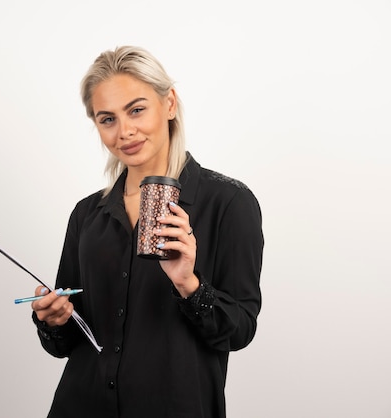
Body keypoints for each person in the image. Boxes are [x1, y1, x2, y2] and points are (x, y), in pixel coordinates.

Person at [30, 45, 264, 418]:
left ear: (169, 104)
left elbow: (240, 331)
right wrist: (54, 320)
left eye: (136, 110)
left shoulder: (229, 203)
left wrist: (189, 284)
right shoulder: (87, 214)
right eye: (107, 119)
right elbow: (65, 343)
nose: (125, 131)